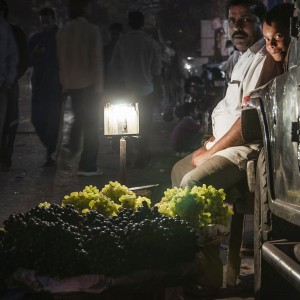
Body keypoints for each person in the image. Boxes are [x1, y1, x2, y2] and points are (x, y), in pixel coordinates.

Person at [171, 0, 289, 191]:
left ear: (261, 23)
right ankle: (184, 221)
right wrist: (211, 143)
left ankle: (196, 219)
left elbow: (249, 120)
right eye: (232, 21)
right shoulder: (240, 57)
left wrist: (210, 154)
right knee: (178, 170)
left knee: (192, 182)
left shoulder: (267, 56)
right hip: (223, 143)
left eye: (245, 20)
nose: (237, 27)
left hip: (242, 148)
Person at [56, 0, 103, 176]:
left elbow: (60, 59)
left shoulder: (63, 31)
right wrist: (99, 87)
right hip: (89, 84)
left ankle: (69, 148)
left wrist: (65, 84)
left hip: (71, 84)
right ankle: (87, 165)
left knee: (79, 118)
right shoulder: (92, 30)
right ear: (84, 8)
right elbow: (96, 59)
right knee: (92, 124)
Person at [111, 10, 162, 168]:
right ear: (142, 24)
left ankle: (127, 154)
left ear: (129, 23)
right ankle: (142, 153)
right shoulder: (151, 42)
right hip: (146, 90)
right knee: (145, 123)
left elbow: (114, 66)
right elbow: (157, 70)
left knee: (125, 124)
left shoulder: (122, 42)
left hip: (125, 91)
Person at [28, 7, 63, 167]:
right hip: (39, 87)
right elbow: (27, 60)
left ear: (54, 20)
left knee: (54, 122)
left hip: (56, 87)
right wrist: (35, 54)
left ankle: (51, 155)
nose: (45, 25)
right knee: (37, 120)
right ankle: (52, 148)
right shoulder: (36, 38)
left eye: (48, 22)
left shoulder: (61, 38)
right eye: (43, 22)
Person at [0, 0, 28, 172]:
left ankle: (5, 155)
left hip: (8, 86)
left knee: (10, 121)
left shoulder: (15, 32)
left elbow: (22, 60)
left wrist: (11, 79)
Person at [0, 2, 18, 171]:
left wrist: (9, 79)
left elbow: (13, 56)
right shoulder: (5, 28)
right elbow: (13, 56)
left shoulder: (5, 28)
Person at [103, 22, 123, 93]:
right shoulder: (105, 50)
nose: (114, 36)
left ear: (121, 34)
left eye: (117, 34)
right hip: (110, 86)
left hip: (125, 85)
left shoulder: (127, 48)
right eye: (112, 34)